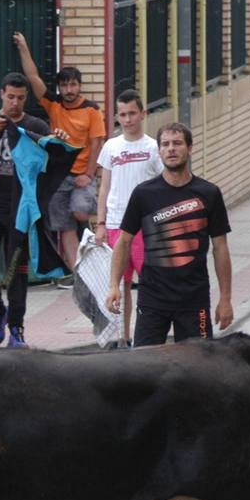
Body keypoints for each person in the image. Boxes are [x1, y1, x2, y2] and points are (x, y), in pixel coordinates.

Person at [106, 123, 233, 347]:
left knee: (200, 369)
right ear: (159, 150)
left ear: (190, 148)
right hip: (153, 298)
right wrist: (114, 285)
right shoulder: (143, 193)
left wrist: (225, 299)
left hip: (194, 299)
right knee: (144, 369)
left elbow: (220, 247)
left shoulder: (209, 193)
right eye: (165, 144)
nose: (171, 149)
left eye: (177, 143)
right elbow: (124, 242)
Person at [0, 72, 50, 350]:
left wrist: (54, 141)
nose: (15, 103)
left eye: (21, 98)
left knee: (16, 269)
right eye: (11, 97)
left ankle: (16, 327)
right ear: (2, 94)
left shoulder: (35, 124)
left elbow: (49, 160)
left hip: (20, 206)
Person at [14, 31, 105, 274]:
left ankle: (95, 240)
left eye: (73, 84)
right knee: (64, 228)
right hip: (58, 177)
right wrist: (23, 46)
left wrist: (88, 173)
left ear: (80, 85)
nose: (68, 89)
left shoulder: (91, 110)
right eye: (64, 85)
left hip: (81, 176)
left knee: (78, 212)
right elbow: (32, 77)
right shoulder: (54, 106)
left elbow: (97, 143)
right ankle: (80, 274)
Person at [94, 89, 162, 347]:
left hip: (145, 227)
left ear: (142, 114)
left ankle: (148, 334)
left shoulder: (153, 147)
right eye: (122, 114)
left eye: (132, 113)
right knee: (119, 286)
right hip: (115, 225)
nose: (128, 119)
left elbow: (160, 185)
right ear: (116, 117)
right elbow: (104, 187)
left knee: (148, 282)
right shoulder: (111, 146)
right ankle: (124, 337)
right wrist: (100, 224)